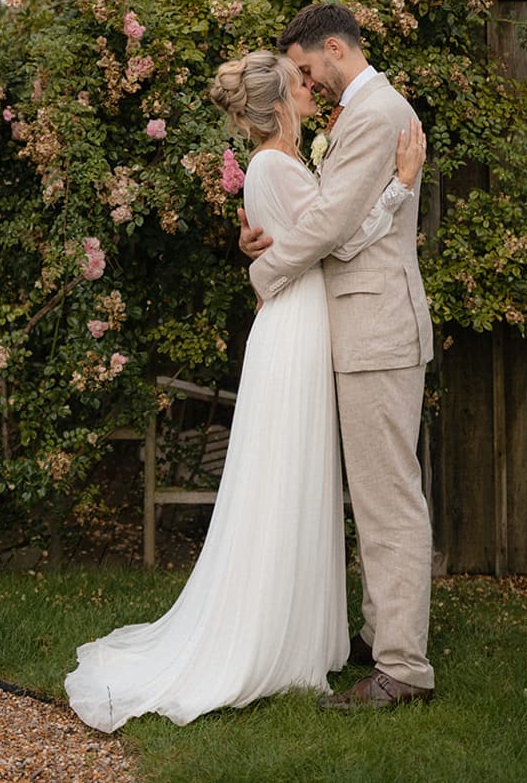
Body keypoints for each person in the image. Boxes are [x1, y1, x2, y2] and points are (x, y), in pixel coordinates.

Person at [64, 49, 424, 732]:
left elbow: (302, 236)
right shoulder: (274, 166)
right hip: (295, 331)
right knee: (283, 480)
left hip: (299, 323)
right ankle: (268, 636)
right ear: (280, 99)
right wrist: (400, 186)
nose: (310, 85)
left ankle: (301, 630)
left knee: (292, 479)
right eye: (299, 80)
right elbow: (339, 241)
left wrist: (263, 249)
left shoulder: (277, 164)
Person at [240, 2, 435, 711]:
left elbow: (332, 226)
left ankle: (403, 668)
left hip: (378, 328)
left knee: (388, 500)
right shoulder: (361, 114)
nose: (307, 82)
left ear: (332, 48)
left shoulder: (376, 113)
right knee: (376, 495)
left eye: (305, 67)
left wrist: (264, 271)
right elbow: (325, 215)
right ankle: (381, 637)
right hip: (362, 327)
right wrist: (262, 236)